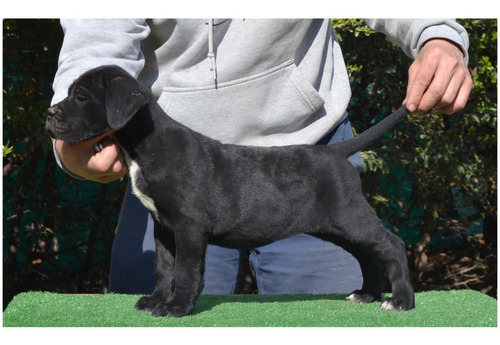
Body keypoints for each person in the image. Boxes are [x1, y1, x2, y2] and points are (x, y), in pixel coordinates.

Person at [51, 19, 472, 295]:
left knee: (332, 314)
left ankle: (387, 286)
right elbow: (96, 43)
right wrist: (73, 133)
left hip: (307, 159)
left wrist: (436, 32)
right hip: (170, 166)